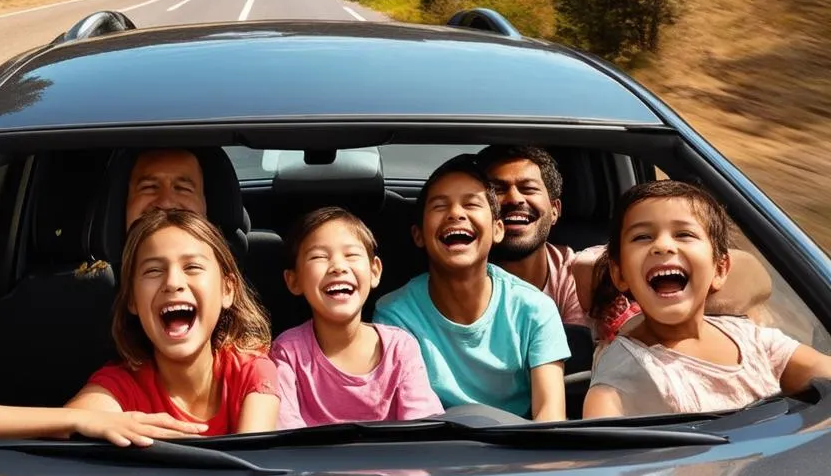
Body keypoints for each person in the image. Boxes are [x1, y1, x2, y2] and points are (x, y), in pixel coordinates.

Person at [0, 208, 279, 443]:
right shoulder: (119, 386)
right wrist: (75, 419)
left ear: (227, 290)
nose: (173, 281)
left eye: (192, 267)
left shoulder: (252, 374)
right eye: (152, 271)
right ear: (134, 302)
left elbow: (247, 471)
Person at [582, 180, 831, 418]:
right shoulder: (622, 372)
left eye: (684, 234)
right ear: (620, 274)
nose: (663, 245)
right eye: (642, 237)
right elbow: (600, 437)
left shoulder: (750, 337)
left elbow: (820, 370)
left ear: (720, 270)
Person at [478, 146, 772, 338]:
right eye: (498, 190)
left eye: (528, 188)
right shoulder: (446, 277)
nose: (514, 199)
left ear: (555, 210)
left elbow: (756, 278)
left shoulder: (587, 269)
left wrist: (618, 275)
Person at [373, 155, 569, 421]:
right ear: (418, 235)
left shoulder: (535, 309)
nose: (456, 213)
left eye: (471, 204)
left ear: (498, 229)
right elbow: (403, 416)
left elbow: (550, 415)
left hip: (519, 451)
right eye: (440, 206)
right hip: (432, 453)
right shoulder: (394, 315)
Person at [271, 207, 442, 428]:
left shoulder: (400, 348)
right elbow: (286, 438)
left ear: (375, 271)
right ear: (293, 280)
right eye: (319, 257)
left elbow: (424, 430)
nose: (338, 267)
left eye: (351, 255)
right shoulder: (287, 353)